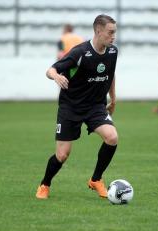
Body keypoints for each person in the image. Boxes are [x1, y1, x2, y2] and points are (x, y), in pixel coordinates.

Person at [36, 14, 118, 200]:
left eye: (115, 32)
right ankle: (45, 184)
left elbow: (111, 74)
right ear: (98, 31)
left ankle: (96, 179)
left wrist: (113, 99)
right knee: (62, 155)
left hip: (96, 106)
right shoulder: (80, 52)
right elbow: (51, 69)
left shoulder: (112, 52)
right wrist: (56, 76)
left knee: (112, 137)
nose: (113, 36)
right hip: (71, 107)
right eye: (110, 32)